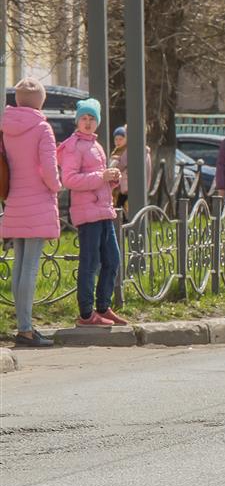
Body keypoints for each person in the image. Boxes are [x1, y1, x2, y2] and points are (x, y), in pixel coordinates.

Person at [1, 78, 60, 347]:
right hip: (37, 202)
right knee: (31, 267)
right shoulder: (42, 128)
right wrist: (57, 186)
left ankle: (22, 325)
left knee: (19, 265)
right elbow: (49, 168)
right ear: (40, 101)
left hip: (14, 200)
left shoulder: (5, 126)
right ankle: (26, 329)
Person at [59, 98, 127, 327]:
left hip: (103, 211)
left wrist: (112, 181)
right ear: (77, 121)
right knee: (90, 263)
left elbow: (98, 180)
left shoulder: (96, 146)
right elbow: (69, 179)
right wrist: (101, 177)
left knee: (113, 260)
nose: (87, 123)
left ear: (97, 122)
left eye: (92, 119)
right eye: (84, 118)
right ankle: (86, 314)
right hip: (87, 215)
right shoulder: (74, 146)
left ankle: (103, 307)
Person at [109, 125, 151, 213]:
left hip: (128, 188)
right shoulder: (144, 150)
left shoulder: (132, 149)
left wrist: (115, 160)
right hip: (135, 188)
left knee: (123, 212)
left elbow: (120, 165)